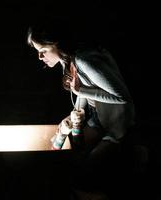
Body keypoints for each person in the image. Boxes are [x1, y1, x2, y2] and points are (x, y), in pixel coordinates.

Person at [27, 19, 135, 191]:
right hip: (96, 119)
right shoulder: (67, 60)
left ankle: (135, 154)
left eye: (43, 50)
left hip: (115, 126)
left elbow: (122, 97)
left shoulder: (84, 60)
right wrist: (72, 116)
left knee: (84, 169)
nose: (40, 56)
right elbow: (83, 89)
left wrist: (80, 92)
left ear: (57, 44)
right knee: (65, 149)